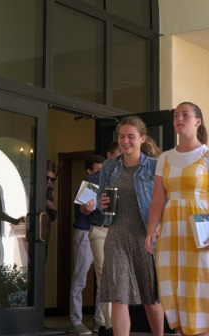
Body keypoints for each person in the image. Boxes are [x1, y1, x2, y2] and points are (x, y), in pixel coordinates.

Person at [145, 102, 209, 335]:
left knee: (202, 288)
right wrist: (150, 229)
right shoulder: (164, 158)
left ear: (197, 121)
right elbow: (158, 200)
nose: (179, 118)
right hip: (171, 232)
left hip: (202, 233)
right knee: (176, 286)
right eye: (176, 115)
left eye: (185, 115)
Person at [97, 116, 164, 336]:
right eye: (122, 136)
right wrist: (102, 203)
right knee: (119, 295)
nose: (125, 141)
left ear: (142, 138)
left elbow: (165, 201)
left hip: (146, 236)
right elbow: (101, 200)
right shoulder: (109, 166)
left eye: (131, 137)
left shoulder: (156, 166)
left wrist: (159, 226)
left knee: (150, 297)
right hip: (116, 235)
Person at [80, 142, 121, 336]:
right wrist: (86, 207)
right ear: (109, 155)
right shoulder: (93, 178)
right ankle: (109, 326)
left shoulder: (130, 176)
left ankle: (108, 323)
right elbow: (83, 208)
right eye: (118, 155)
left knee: (119, 277)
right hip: (100, 230)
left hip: (123, 231)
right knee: (104, 277)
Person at [68, 155, 105, 335]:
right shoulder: (88, 186)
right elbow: (83, 211)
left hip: (102, 233)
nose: (101, 174)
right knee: (79, 279)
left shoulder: (108, 186)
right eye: (98, 170)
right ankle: (75, 322)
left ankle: (99, 321)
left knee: (102, 280)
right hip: (84, 233)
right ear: (89, 172)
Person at [45, 160, 58, 261]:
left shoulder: (51, 190)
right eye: (47, 178)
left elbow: (53, 218)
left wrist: (54, 208)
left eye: (52, 179)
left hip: (45, 229)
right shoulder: (32, 187)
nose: (49, 181)